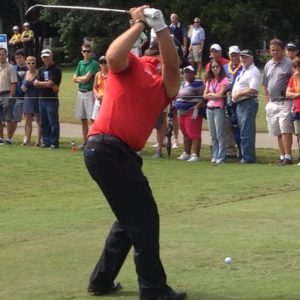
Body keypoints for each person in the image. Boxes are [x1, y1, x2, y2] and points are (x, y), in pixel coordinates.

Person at [84, 5, 186, 300]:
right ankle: (153, 289)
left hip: (115, 154)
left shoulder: (168, 84)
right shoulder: (130, 63)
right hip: (106, 148)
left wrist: (163, 28)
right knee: (144, 219)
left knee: (128, 219)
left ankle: (101, 281)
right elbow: (113, 55)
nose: (164, 59)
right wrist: (140, 25)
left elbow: (173, 67)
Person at [263, 39, 293, 165]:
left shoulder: (289, 63)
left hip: (285, 101)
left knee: (285, 129)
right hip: (272, 102)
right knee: (277, 131)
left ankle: (288, 156)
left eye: (277, 50)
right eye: (272, 50)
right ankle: (281, 156)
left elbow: (296, 80)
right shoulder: (268, 65)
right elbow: (265, 83)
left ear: (282, 50)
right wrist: (266, 98)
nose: (274, 52)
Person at [232, 49, 261, 163]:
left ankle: (248, 158)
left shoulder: (253, 71)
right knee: (243, 132)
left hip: (248, 103)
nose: (243, 59)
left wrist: (238, 93)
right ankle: (245, 157)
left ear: (251, 58)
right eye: (242, 57)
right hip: (240, 103)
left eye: (246, 57)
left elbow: (253, 89)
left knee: (246, 132)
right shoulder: (243, 70)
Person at [175, 65, 205, 162]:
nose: (187, 74)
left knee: (194, 133)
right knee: (185, 133)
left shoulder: (198, 83)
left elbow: (203, 97)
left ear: (194, 73)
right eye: (185, 72)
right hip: (181, 111)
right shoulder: (182, 84)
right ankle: (186, 153)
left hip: (192, 111)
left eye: (190, 72)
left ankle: (195, 154)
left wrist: (196, 107)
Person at [34, 49, 61, 149]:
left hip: (52, 99)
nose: (45, 59)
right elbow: (35, 83)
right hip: (42, 98)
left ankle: (54, 142)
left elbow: (51, 83)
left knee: (53, 121)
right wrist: (46, 84)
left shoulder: (56, 70)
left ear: (51, 57)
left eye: (47, 57)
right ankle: (46, 141)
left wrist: (41, 84)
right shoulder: (41, 70)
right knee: (44, 121)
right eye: (43, 57)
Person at [73, 43, 99, 148]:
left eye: (88, 51)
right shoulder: (80, 63)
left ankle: (93, 142)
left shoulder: (94, 63)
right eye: (84, 51)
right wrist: (79, 78)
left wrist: (79, 78)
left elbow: (86, 79)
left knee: (92, 119)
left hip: (89, 92)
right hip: (80, 92)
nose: (86, 53)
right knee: (83, 119)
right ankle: (85, 142)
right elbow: (74, 77)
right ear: (82, 52)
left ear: (91, 52)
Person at [203, 59, 229, 163]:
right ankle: (214, 155)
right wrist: (213, 96)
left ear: (220, 68)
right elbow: (204, 95)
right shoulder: (210, 80)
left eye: (216, 67)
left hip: (219, 109)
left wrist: (212, 95)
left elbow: (221, 94)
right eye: (213, 67)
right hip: (209, 108)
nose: (215, 69)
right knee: (212, 134)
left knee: (220, 134)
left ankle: (221, 156)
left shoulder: (224, 80)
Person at [223, 45, 243, 158]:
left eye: (236, 55)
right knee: (227, 126)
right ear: (229, 55)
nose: (234, 57)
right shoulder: (225, 67)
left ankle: (241, 150)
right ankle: (231, 150)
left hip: (239, 100)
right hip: (227, 100)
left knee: (239, 125)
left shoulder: (243, 67)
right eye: (232, 55)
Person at [22, 55, 41, 146]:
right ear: (26, 63)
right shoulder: (25, 74)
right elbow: (22, 86)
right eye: (28, 62)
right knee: (27, 120)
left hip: (36, 97)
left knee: (38, 120)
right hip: (27, 98)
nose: (30, 64)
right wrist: (23, 88)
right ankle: (27, 140)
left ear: (35, 63)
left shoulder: (39, 73)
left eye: (33, 62)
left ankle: (38, 141)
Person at [0, 47, 17, 145]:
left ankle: (9, 139)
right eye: (0, 54)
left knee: (8, 118)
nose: (1, 56)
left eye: (3, 54)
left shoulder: (10, 67)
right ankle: (1, 138)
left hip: (7, 94)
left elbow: (14, 83)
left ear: (6, 55)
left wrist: (11, 96)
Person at [286, 57, 300, 165]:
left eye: (299, 66)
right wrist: (297, 95)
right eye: (295, 67)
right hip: (296, 109)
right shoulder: (292, 79)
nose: (297, 69)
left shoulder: (297, 78)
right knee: (298, 134)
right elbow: (288, 94)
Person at [11, 49, 27, 141]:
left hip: (29, 97)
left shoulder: (30, 67)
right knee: (15, 118)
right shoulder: (13, 69)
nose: (19, 60)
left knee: (27, 119)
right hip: (17, 97)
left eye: (20, 57)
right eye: (16, 58)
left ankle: (26, 137)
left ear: (24, 57)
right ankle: (11, 137)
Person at [91, 56, 108, 122]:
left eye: (105, 62)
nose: (103, 64)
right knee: (94, 119)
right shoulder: (97, 74)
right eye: (101, 62)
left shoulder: (111, 75)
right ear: (99, 64)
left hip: (107, 99)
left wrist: (104, 97)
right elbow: (94, 88)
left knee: (105, 119)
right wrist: (97, 95)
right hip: (98, 99)